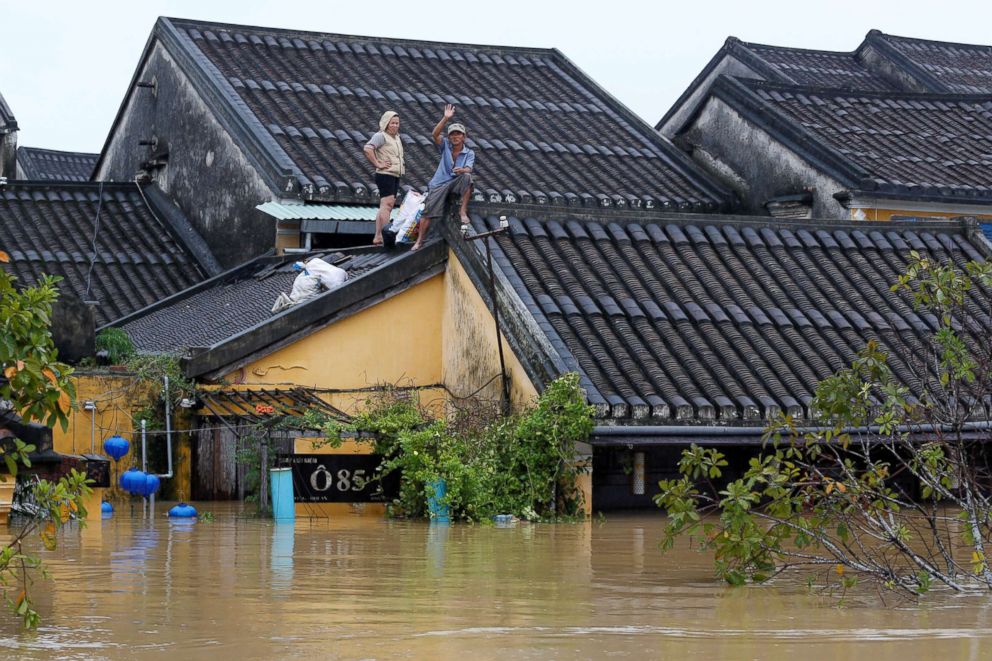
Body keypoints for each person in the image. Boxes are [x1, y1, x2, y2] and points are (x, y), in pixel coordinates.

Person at [412, 104, 475, 251]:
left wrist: (461, 170)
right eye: (453, 134)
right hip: (439, 184)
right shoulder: (445, 145)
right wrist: (446, 118)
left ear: (464, 137)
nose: (455, 137)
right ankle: (420, 240)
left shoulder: (469, 152)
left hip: (456, 181)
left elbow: (469, 169)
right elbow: (435, 134)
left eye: (458, 134)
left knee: (468, 178)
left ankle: (462, 211)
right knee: (427, 212)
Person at [363, 110, 405, 247]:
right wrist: (377, 163)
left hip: (394, 174)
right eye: (392, 123)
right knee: (386, 204)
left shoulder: (396, 137)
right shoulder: (381, 136)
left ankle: (378, 236)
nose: (395, 126)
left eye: (397, 123)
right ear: (386, 123)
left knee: (387, 205)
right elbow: (368, 148)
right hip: (385, 174)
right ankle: (384, 235)